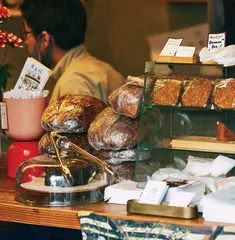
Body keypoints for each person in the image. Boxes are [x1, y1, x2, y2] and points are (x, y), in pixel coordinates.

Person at [19, 0, 125, 104]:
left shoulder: (73, 83)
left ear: (45, 39)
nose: (26, 41)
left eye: (26, 33)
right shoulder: (105, 70)